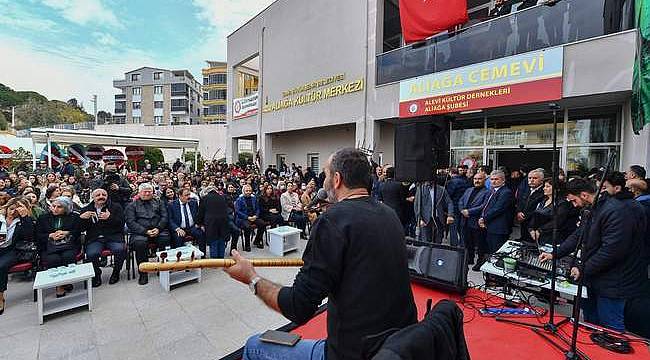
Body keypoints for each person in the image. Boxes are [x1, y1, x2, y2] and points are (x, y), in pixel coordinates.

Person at [225, 148, 417, 360]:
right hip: (400, 345)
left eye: (325, 175)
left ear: (337, 179)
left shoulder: (333, 221)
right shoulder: (388, 214)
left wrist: (251, 278)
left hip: (354, 352)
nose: (322, 182)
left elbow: (299, 306)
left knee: (254, 346)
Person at [540, 178, 646, 331]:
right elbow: (579, 235)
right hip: (594, 276)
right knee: (590, 322)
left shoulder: (615, 211)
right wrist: (555, 254)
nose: (573, 205)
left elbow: (611, 250)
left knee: (610, 327)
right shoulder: (593, 209)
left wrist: (583, 268)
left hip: (614, 281)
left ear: (584, 195)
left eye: (573, 200)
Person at [125, 183, 170, 285]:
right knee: (140, 244)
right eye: (145, 191)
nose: (147, 193)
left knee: (165, 239)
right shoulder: (132, 206)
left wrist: (158, 228)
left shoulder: (159, 202)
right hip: (140, 232)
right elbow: (131, 222)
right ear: (139, 192)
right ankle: (143, 273)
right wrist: (145, 231)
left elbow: (164, 217)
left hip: (158, 230)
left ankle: (162, 267)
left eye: (150, 191)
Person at [79, 188, 126, 287]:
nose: (101, 197)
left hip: (113, 236)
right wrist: (82, 219)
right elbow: (80, 228)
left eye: (104, 195)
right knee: (92, 254)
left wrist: (110, 218)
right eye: (98, 195)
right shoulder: (86, 209)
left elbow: (121, 224)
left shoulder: (116, 207)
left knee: (120, 249)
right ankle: (96, 274)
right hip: (95, 239)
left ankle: (116, 272)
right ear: (93, 197)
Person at [36, 197, 80, 297]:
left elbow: (78, 232)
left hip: (68, 245)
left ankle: (67, 280)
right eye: (53, 206)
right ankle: (59, 285)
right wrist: (50, 235)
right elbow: (37, 235)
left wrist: (67, 233)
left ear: (66, 208)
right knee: (53, 259)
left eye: (59, 207)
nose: (55, 209)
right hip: (49, 246)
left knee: (67, 256)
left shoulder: (74, 217)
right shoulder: (43, 218)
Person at [0, 197, 34, 315]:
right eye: (11, 208)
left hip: (14, 250)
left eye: (17, 209)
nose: (13, 212)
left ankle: (0, 296)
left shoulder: (23, 221)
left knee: (1, 266)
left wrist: (24, 217)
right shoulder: (1, 218)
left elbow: (29, 237)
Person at [528, 178, 579, 246]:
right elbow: (535, 214)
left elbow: (558, 221)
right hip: (538, 236)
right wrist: (531, 228)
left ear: (556, 189)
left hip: (552, 238)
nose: (544, 188)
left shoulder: (562, 203)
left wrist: (540, 230)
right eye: (544, 186)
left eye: (548, 186)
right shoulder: (543, 200)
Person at [458, 172, 490, 269]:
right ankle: (469, 259)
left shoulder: (488, 192)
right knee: (468, 242)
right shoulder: (468, 190)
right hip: (465, 220)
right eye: (475, 179)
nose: (477, 181)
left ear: (484, 180)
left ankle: (480, 261)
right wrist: (462, 210)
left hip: (476, 221)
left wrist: (469, 211)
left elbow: (484, 206)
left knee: (480, 244)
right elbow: (461, 201)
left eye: (479, 179)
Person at [478, 170, 515, 254]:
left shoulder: (506, 192)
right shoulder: (492, 191)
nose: (493, 181)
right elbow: (486, 206)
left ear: (503, 180)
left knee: (497, 251)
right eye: (491, 179)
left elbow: (497, 209)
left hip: (499, 228)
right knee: (489, 249)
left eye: (496, 179)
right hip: (490, 225)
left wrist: (483, 218)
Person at [414, 177, 454, 244]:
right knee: (425, 242)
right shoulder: (420, 189)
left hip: (438, 219)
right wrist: (419, 219)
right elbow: (416, 205)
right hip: (425, 220)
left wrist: (450, 215)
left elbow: (449, 202)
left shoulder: (441, 189)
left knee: (438, 242)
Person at [168, 188, 205, 252]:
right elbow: (169, 219)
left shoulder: (193, 203)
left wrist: (200, 224)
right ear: (180, 196)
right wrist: (177, 228)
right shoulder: (172, 205)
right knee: (178, 237)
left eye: (189, 195)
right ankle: (179, 258)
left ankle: (203, 256)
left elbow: (198, 215)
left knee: (201, 234)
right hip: (180, 227)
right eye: (186, 195)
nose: (189, 197)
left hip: (192, 227)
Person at [196, 186, 229, 258]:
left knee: (213, 240)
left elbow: (201, 213)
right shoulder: (222, 197)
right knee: (221, 239)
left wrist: (199, 223)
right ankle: (221, 258)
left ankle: (214, 261)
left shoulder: (204, 198)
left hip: (211, 222)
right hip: (223, 221)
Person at [516, 168, 545, 243]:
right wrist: (519, 211)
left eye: (535, 178)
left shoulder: (544, 192)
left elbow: (539, 209)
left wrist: (525, 216)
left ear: (542, 180)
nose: (531, 180)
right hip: (523, 223)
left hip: (534, 225)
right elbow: (520, 201)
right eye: (529, 178)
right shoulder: (527, 189)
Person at [235, 184, 266, 250]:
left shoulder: (254, 198)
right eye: (247, 191)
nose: (248, 192)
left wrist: (256, 215)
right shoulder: (239, 200)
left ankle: (257, 241)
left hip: (253, 217)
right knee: (247, 227)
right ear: (243, 191)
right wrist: (247, 217)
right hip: (243, 218)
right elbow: (238, 211)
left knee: (263, 224)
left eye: (250, 191)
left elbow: (258, 209)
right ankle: (247, 245)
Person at [446, 167, 471, 246]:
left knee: (453, 229)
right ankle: (463, 245)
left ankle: (454, 246)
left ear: (451, 173)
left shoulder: (452, 182)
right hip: (464, 208)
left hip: (454, 207)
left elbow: (448, 196)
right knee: (462, 229)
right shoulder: (466, 181)